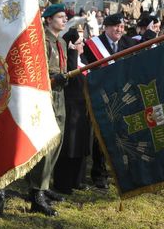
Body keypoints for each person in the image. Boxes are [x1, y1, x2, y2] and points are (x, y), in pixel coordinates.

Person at [82, 13, 137, 188]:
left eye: (122, 27)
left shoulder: (128, 43)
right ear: (106, 26)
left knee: (121, 136)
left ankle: (119, 172)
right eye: (116, 26)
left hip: (123, 96)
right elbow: (85, 70)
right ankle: (100, 175)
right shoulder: (92, 46)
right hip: (101, 96)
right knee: (101, 138)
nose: (119, 30)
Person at [27, 3, 68, 217]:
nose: (64, 20)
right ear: (49, 19)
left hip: (60, 95)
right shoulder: (42, 41)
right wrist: (53, 79)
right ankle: (36, 193)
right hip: (46, 95)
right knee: (46, 143)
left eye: (65, 17)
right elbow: (36, 71)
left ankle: (45, 185)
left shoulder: (61, 41)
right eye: (60, 17)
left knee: (57, 142)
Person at [52, 25, 91, 194]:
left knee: (82, 146)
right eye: (80, 42)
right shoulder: (70, 60)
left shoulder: (86, 58)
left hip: (84, 108)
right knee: (70, 147)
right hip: (71, 108)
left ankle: (78, 179)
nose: (84, 45)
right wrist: (73, 51)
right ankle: (63, 183)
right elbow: (72, 73)